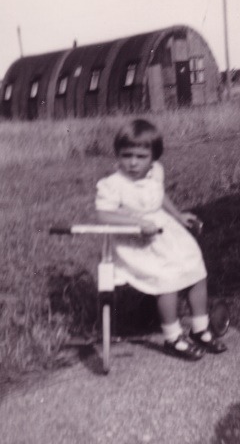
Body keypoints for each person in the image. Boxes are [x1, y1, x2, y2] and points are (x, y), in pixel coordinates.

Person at [95, 119, 227, 360]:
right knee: (167, 278)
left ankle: (200, 327)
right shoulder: (113, 185)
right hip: (135, 241)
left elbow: (159, 195)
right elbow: (104, 213)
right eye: (127, 156)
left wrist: (177, 215)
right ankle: (173, 336)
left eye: (141, 156)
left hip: (163, 231)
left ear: (153, 157)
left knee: (195, 266)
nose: (133, 163)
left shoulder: (156, 172)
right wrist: (137, 224)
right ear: (118, 155)